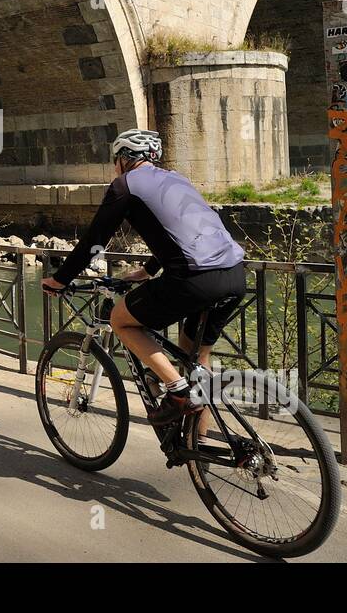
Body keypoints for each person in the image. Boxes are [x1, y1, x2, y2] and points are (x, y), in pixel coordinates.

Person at [41, 129, 246, 424]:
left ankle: (177, 391)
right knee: (197, 363)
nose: (115, 166)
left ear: (124, 159)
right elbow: (191, 231)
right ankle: (197, 456)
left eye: (115, 160)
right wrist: (149, 270)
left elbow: (96, 241)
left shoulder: (124, 186)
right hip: (234, 275)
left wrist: (60, 279)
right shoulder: (178, 180)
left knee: (121, 320)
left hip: (194, 280)